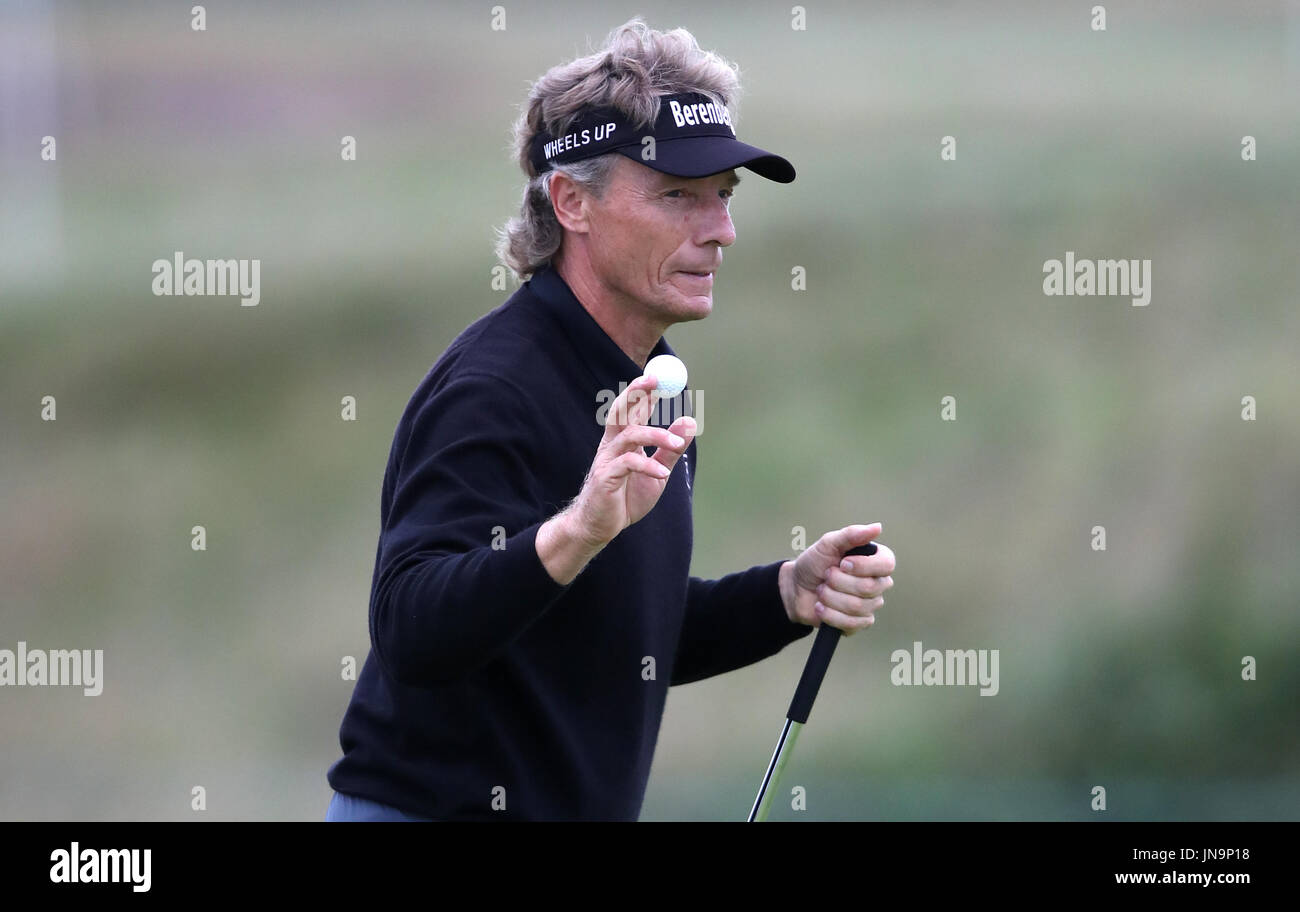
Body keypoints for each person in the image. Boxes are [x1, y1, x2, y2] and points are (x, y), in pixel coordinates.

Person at [325, 17, 896, 822]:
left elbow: (624, 626)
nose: (721, 231)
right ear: (572, 202)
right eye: (677, 196)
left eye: (723, 198)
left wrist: (783, 596)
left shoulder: (655, 385)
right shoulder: (492, 387)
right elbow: (412, 629)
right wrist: (579, 531)